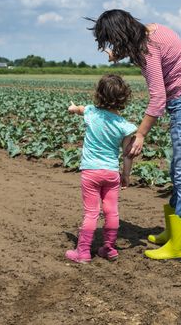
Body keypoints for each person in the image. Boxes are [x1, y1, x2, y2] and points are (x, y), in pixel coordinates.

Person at [88, 9, 181, 260]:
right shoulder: (153, 31)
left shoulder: (148, 48)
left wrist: (140, 135)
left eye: (113, 40)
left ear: (120, 33)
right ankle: (171, 234)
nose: (113, 45)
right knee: (178, 171)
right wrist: (119, 55)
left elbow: (157, 98)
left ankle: (178, 246)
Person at [66, 74, 136, 264]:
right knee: (112, 211)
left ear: (98, 94)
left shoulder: (91, 112)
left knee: (91, 213)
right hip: (112, 173)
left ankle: (83, 252)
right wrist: (126, 175)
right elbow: (128, 154)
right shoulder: (125, 126)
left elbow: (80, 109)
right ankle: (109, 248)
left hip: (91, 172)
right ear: (123, 98)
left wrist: (72, 109)